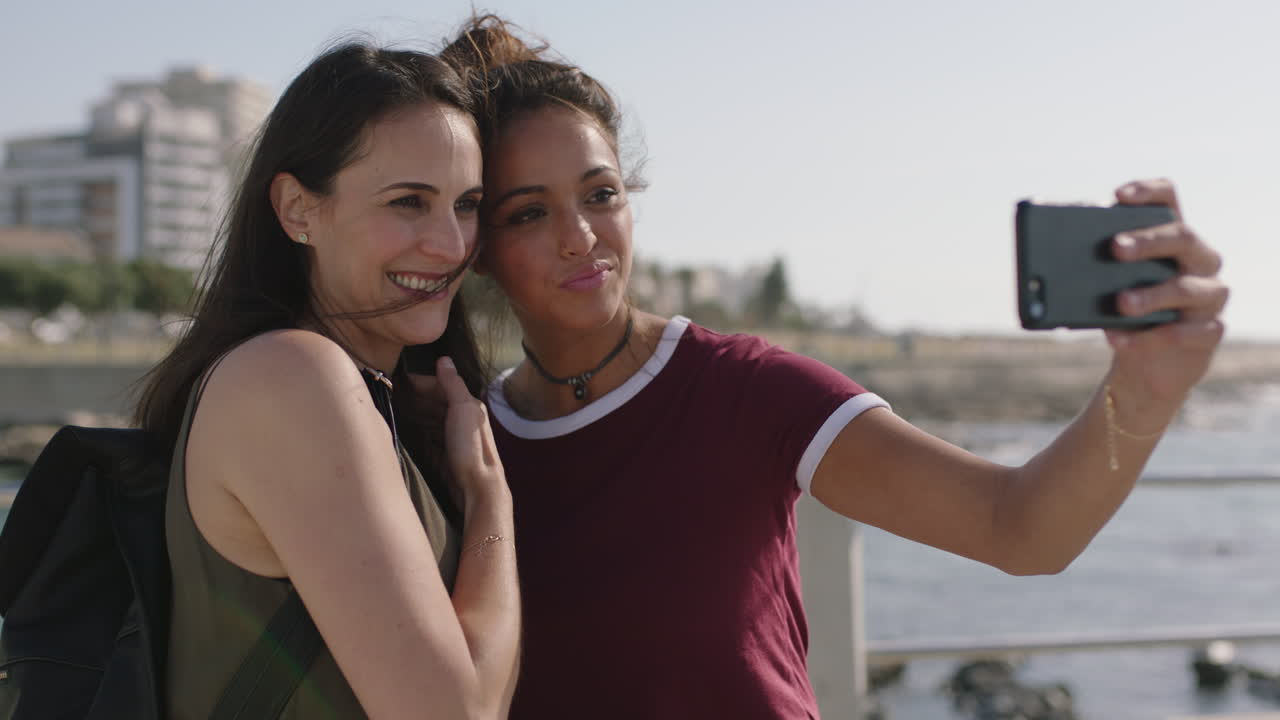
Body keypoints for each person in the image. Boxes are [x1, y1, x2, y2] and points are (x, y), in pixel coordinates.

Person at [440, 16, 1229, 719]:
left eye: (600, 193)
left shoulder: (746, 393)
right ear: (477, 248)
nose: (581, 236)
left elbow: (1021, 530)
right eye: (530, 212)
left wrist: (1146, 390)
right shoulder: (464, 439)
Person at [134, 42, 519, 719]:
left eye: (466, 205)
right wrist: (491, 506)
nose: (451, 244)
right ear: (298, 210)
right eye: (408, 202)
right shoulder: (293, 378)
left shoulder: (359, 394)